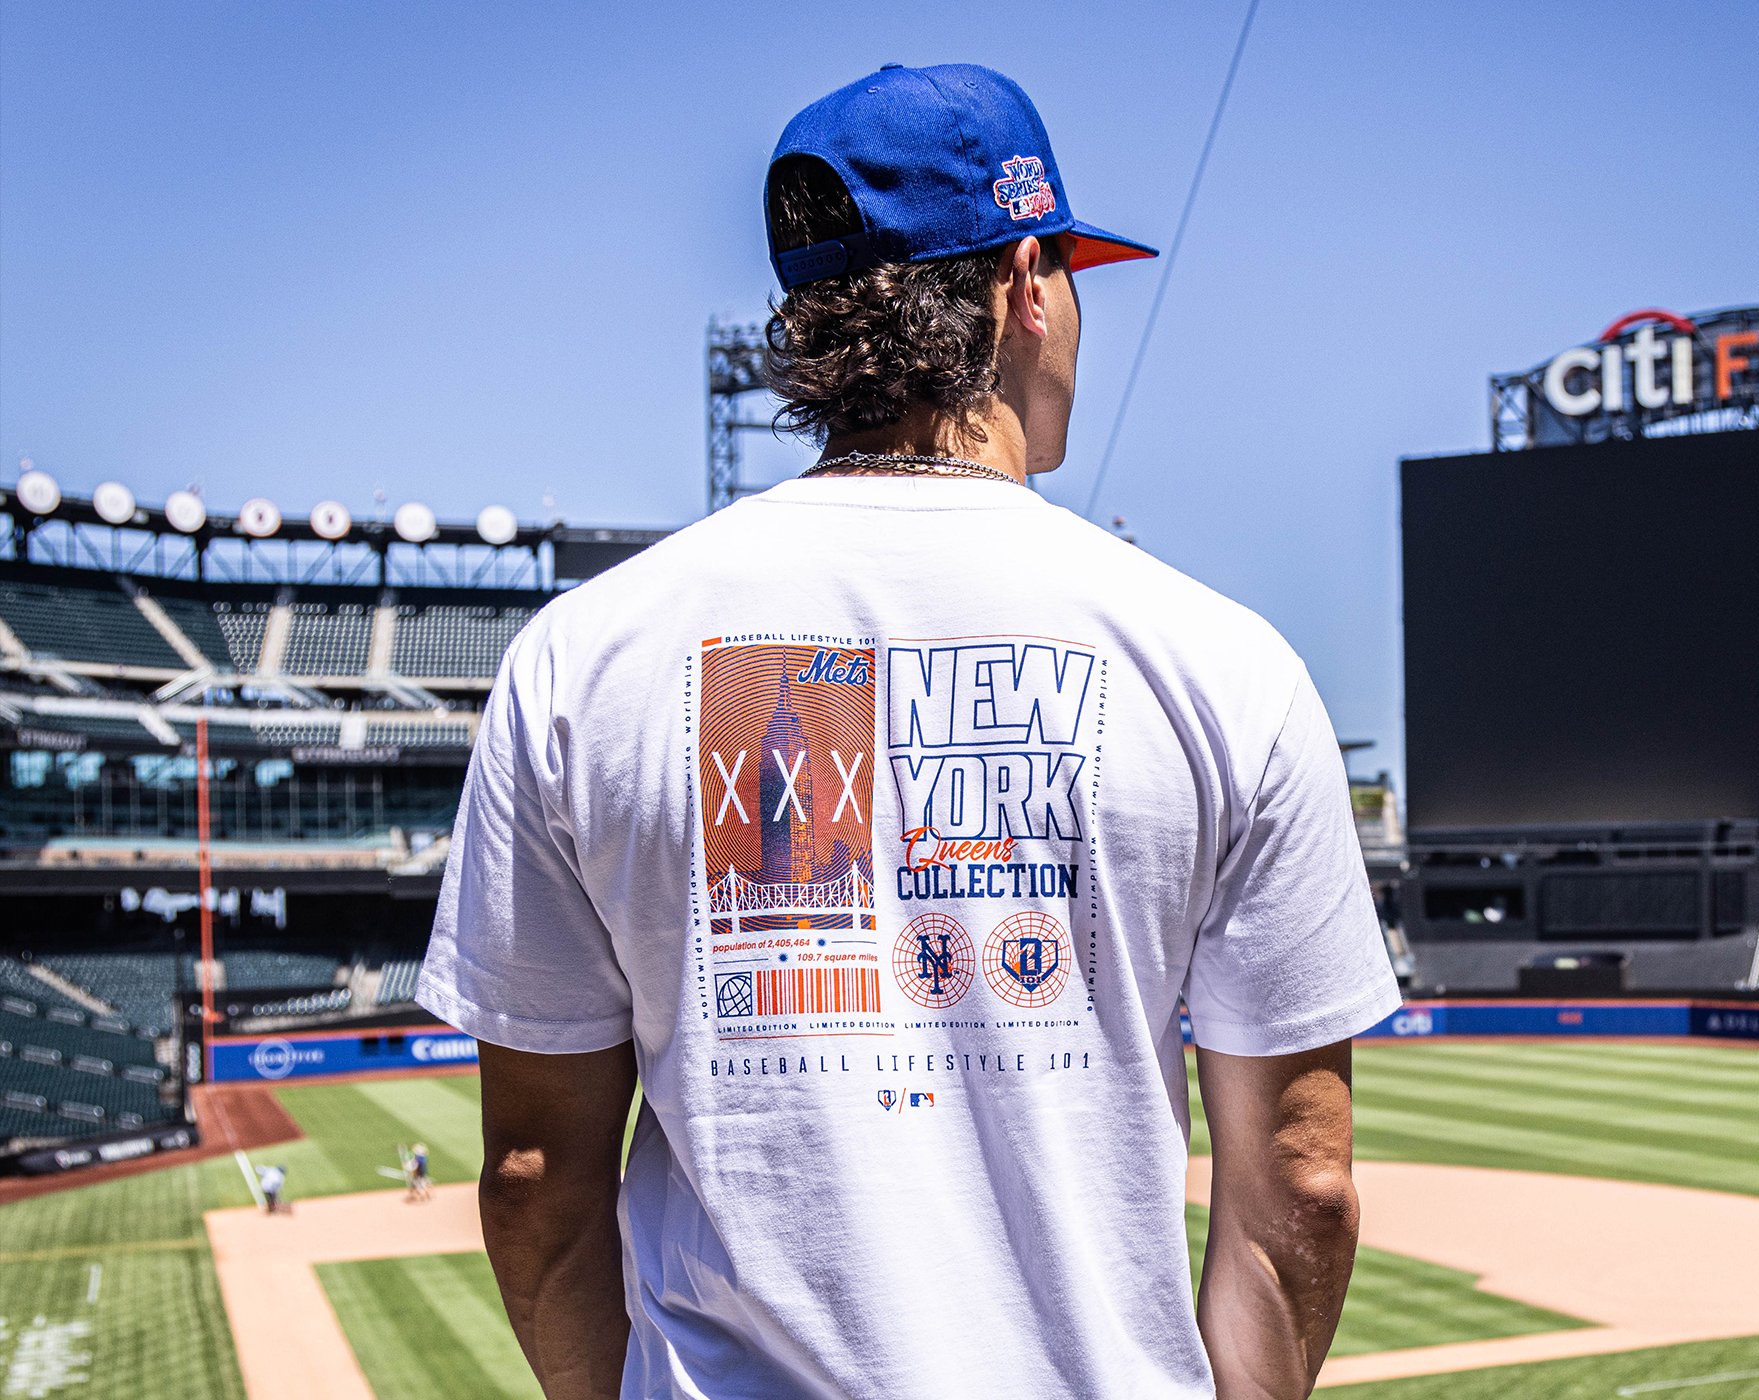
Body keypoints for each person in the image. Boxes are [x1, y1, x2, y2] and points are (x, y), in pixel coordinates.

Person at [419, 62, 1399, 1400]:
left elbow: (537, 1180)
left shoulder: (580, 660)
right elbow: (1304, 1183)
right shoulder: (1223, 664)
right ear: (1025, 284)